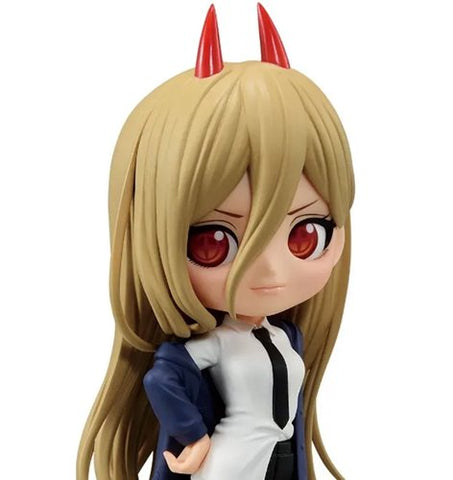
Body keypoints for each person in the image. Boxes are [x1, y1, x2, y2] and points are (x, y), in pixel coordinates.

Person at [77, 4, 354, 480]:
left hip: (281, 460)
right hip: (230, 464)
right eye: (214, 242)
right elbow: (162, 377)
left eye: (306, 234)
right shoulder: (215, 345)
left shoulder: (287, 337)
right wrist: (193, 434)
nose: (270, 270)